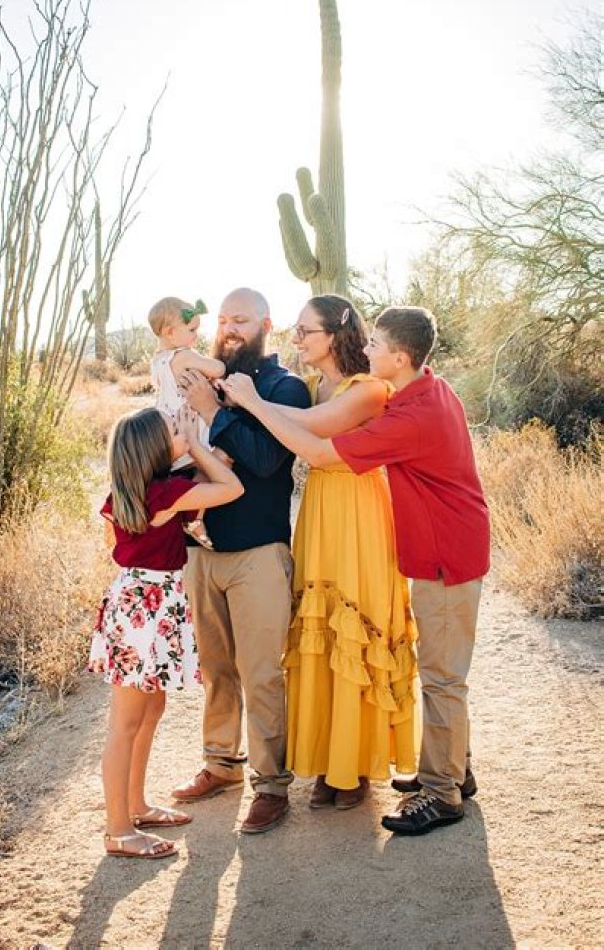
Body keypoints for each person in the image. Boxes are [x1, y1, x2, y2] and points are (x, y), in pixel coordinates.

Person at [223, 305, 490, 837]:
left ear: (399, 355)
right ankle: (453, 770)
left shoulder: (412, 415)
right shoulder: (426, 391)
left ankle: (442, 794)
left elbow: (322, 454)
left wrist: (252, 403)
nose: (364, 349)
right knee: (439, 666)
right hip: (445, 545)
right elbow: (318, 426)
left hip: (446, 554)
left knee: (442, 675)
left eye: (375, 345)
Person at [265, 295, 418, 810]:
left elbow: (320, 428)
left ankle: (357, 767)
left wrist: (250, 402)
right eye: (295, 330)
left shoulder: (368, 389)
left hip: (359, 514)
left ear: (335, 335)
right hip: (319, 510)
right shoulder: (310, 388)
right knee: (320, 630)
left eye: (306, 331)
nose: (298, 339)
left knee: (356, 624)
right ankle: (329, 763)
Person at [171, 287, 310, 834]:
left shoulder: (285, 388)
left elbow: (269, 459)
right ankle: (220, 765)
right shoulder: (202, 379)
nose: (229, 328)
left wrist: (215, 413)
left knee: (261, 672)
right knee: (217, 671)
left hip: (258, 551)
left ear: (266, 326)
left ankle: (272, 784)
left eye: (242, 320)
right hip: (202, 553)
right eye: (224, 319)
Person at [88, 407, 243, 859]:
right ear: (157, 448)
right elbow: (232, 489)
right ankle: (118, 829)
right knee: (125, 722)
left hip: (137, 602)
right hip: (146, 611)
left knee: (151, 707)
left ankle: (135, 805)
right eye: (174, 431)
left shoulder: (128, 495)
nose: (183, 431)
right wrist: (196, 447)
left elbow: (115, 546)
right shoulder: (166, 493)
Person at [147, 295, 227, 548]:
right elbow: (218, 369)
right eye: (192, 330)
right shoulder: (184, 356)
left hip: (169, 428)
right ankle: (196, 516)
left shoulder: (157, 361)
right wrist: (216, 364)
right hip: (190, 423)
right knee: (215, 460)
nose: (196, 335)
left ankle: (184, 515)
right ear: (170, 332)